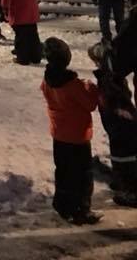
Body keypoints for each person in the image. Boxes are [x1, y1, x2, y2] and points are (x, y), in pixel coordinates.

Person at [40, 37, 101, 225]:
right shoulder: (73, 85)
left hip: (59, 135)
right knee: (82, 174)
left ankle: (64, 204)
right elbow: (90, 104)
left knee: (64, 171)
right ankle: (81, 209)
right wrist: (90, 87)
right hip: (77, 137)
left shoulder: (47, 80)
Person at [89, 41, 137, 207]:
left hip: (121, 126)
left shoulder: (109, 80)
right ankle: (127, 185)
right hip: (120, 126)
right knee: (124, 153)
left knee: (125, 154)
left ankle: (129, 187)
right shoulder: (110, 80)